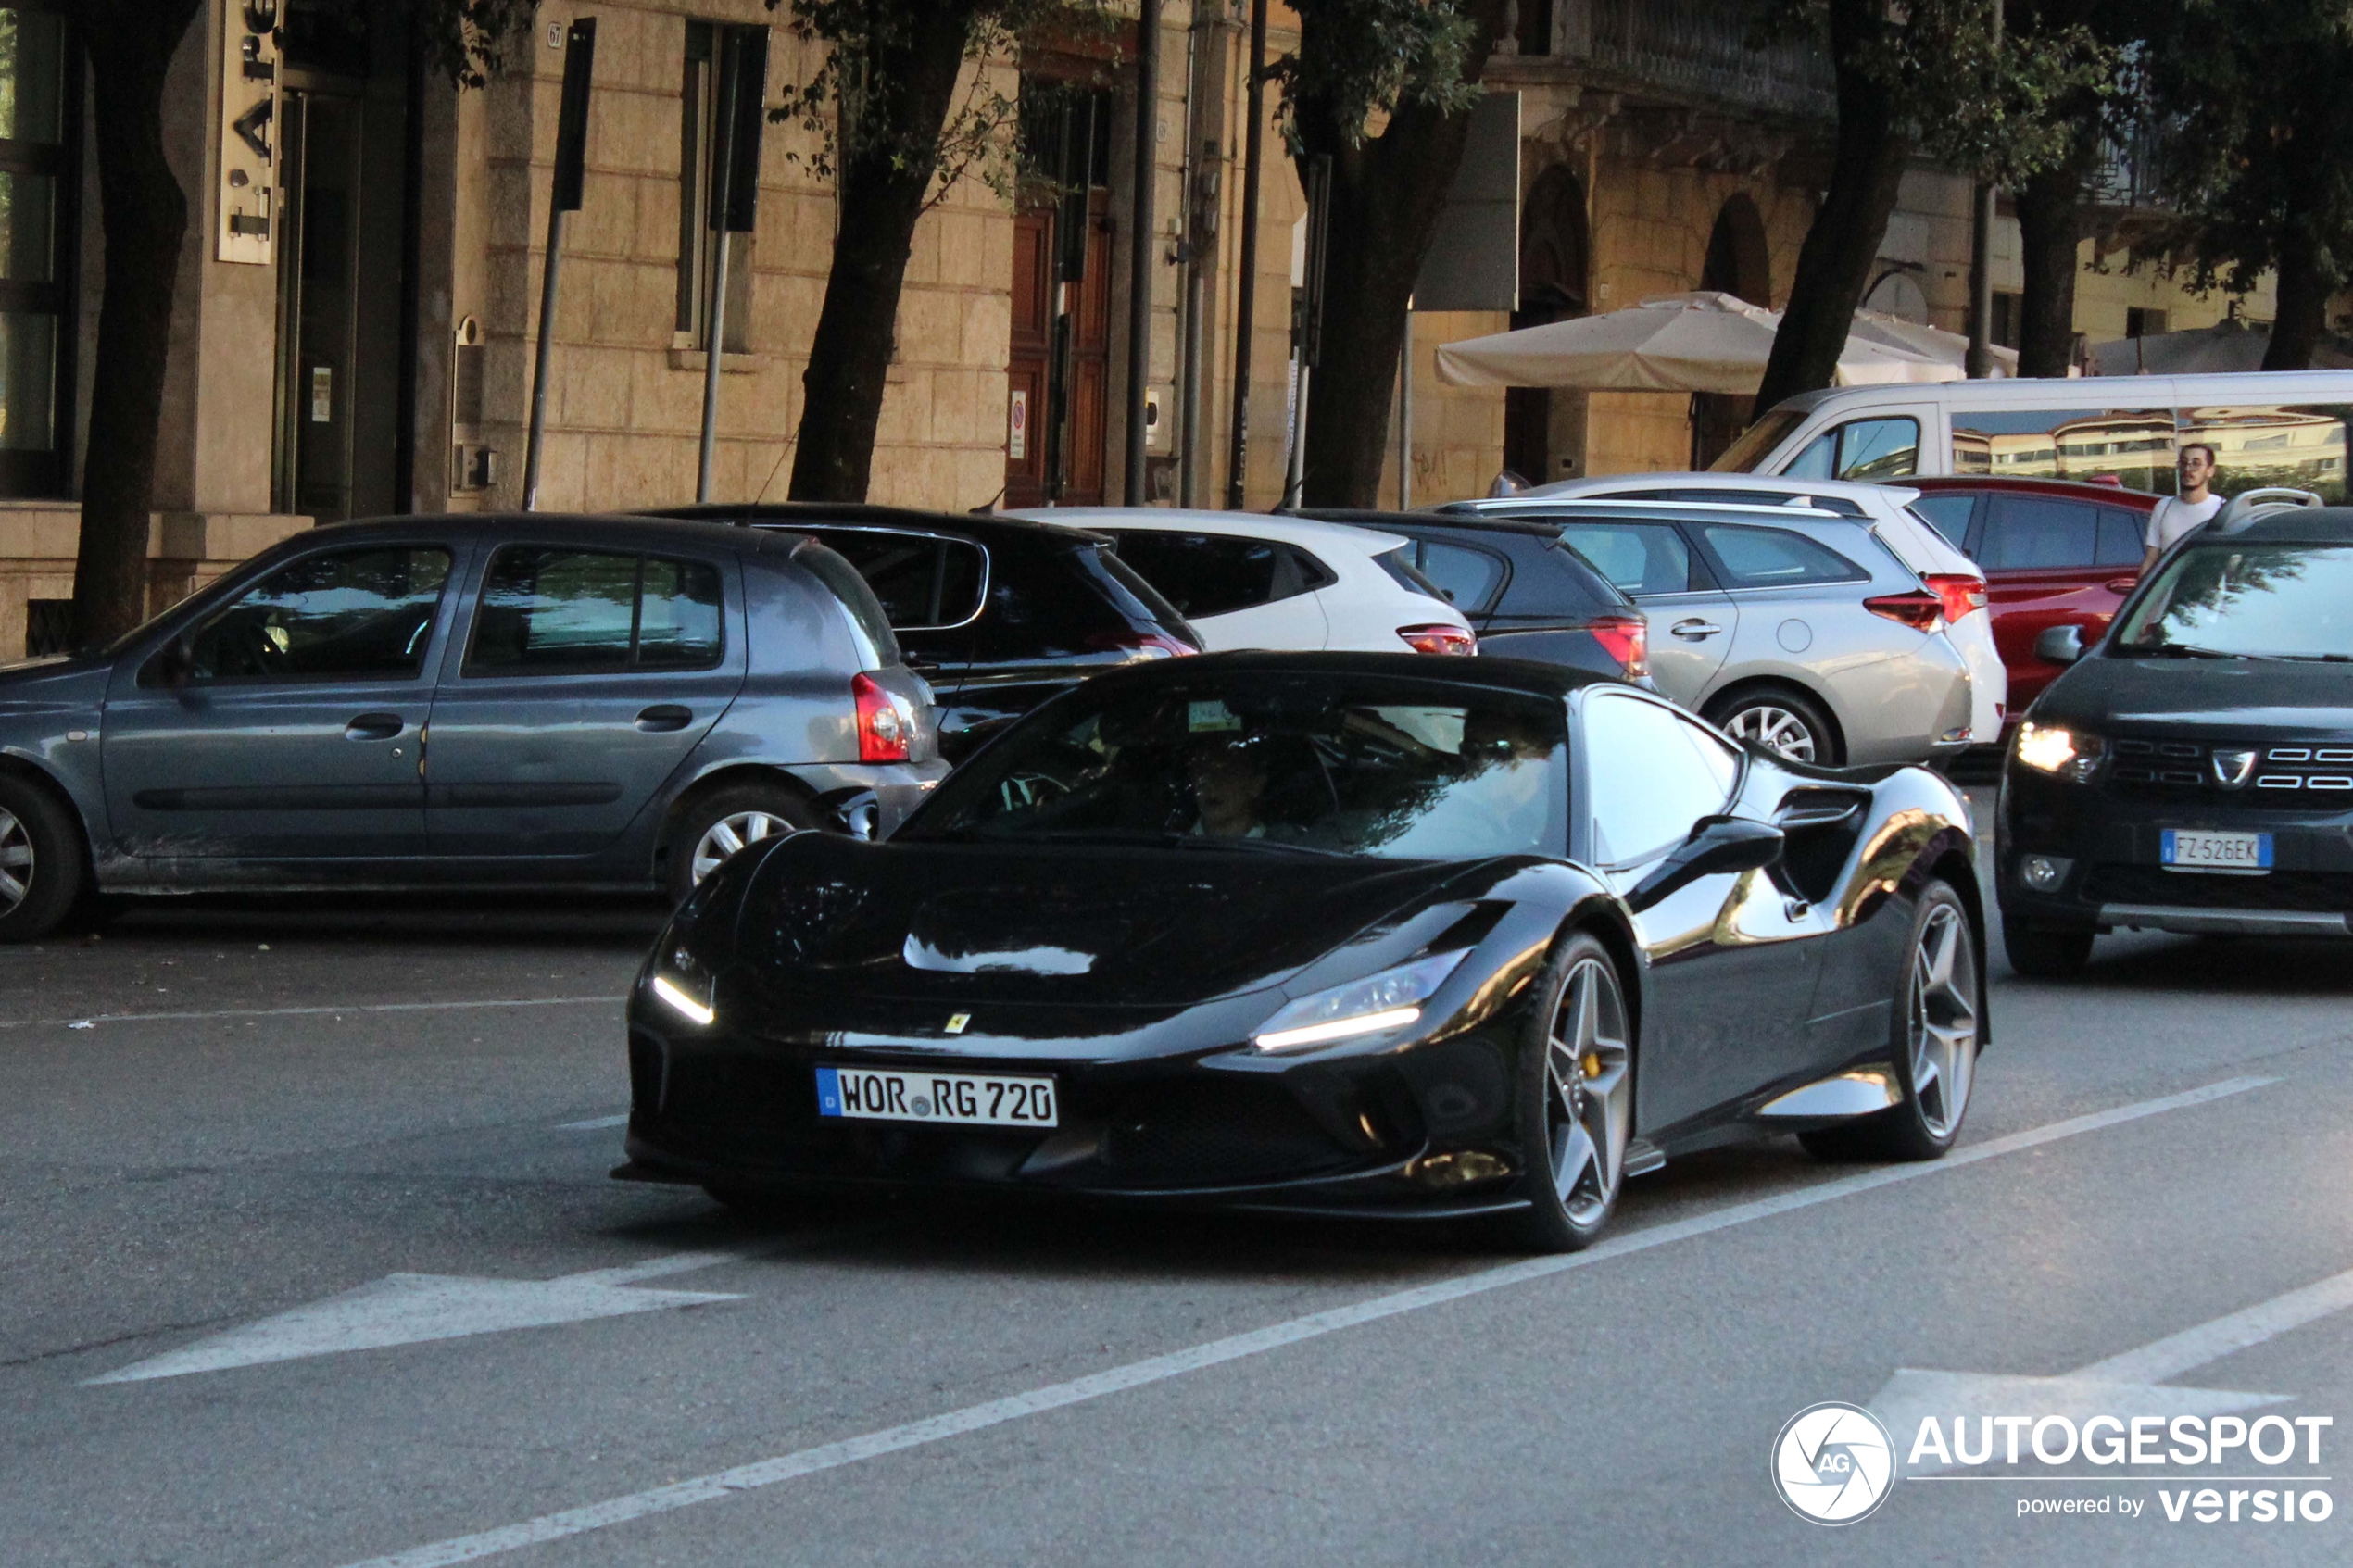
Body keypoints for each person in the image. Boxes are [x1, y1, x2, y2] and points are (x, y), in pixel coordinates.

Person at [2143, 444, 2223, 571]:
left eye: (2196, 463)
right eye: (2183, 462)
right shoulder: (2164, 507)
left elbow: (2232, 562)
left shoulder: (2221, 509)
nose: (2188, 469)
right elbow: (2151, 559)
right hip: (2168, 589)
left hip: (2208, 588)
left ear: (2210, 471)